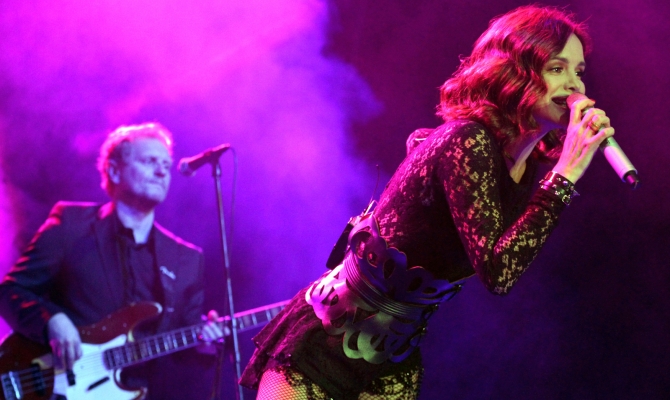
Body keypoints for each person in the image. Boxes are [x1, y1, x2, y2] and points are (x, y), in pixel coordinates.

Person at [240, 5, 614, 400]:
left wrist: (558, 177)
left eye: (579, 71)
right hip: (325, 339)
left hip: (391, 357)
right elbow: (498, 274)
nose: (575, 86)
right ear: (514, 72)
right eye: (557, 68)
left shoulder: (523, 168)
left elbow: (504, 265)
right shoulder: (467, 141)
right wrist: (565, 175)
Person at [0, 122, 223, 399]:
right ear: (115, 171)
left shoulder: (185, 259)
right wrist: (51, 320)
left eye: (166, 165)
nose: (161, 171)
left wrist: (205, 342)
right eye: (149, 161)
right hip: (55, 386)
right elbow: (11, 291)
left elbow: (185, 348)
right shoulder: (71, 224)